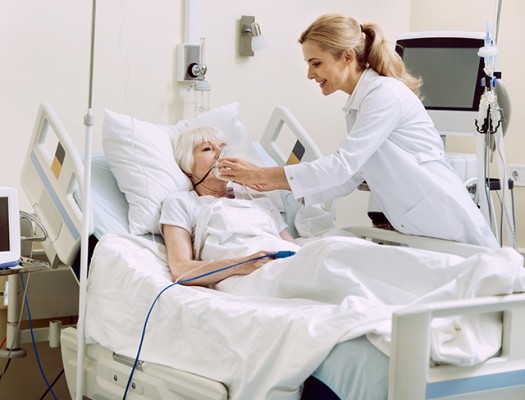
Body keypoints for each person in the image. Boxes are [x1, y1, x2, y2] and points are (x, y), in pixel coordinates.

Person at [217, 13, 498, 249]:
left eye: (316, 63)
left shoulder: (383, 95)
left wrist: (266, 174)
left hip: (445, 220)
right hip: (422, 225)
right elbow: (351, 175)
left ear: (347, 57)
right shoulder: (359, 105)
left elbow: (342, 166)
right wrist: (277, 188)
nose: (310, 74)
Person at [159, 125, 297, 286]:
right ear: (188, 165)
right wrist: (242, 265)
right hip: (248, 278)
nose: (221, 154)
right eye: (208, 149)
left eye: (223, 147)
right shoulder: (181, 203)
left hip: (289, 261)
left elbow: (290, 245)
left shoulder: (257, 197)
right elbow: (181, 270)